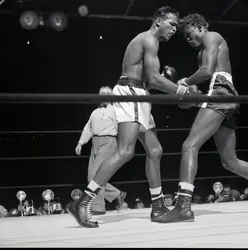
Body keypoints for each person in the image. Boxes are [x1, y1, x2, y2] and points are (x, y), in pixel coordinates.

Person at [68, 6, 200, 228]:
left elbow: (150, 81)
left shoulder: (150, 43)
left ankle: (158, 206)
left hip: (140, 94)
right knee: (125, 151)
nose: (174, 29)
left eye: (176, 25)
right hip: (131, 93)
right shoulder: (148, 40)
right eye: (172, 24)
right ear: (158, 21)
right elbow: (155, 79)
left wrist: (171, 86)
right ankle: (83, 202)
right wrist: (180, 91)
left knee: (155, 150)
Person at [155, 13, 248, 223]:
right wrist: (188, 97)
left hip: (221, 93)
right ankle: (183, 206)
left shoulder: (211, 36)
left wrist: (185, 82)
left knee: (189, 146)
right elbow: (205, 82)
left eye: (189, 34)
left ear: (199, 27)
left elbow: (206, 72)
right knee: (230, 162)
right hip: (225, 96)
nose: (188, 40)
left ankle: (183, 207)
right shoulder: (206, 50)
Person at [75, 86, 127, 215]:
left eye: (107, 93)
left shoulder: (115, 111)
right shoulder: (94, 112)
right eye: (102, 93)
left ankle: (98, 207)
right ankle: (117, 194)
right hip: (95, 143)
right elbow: (88, 129)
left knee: (95, 176)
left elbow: (122, 128)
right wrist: (81, 142)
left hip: (109, 142)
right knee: (90, 177)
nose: (104, 95)